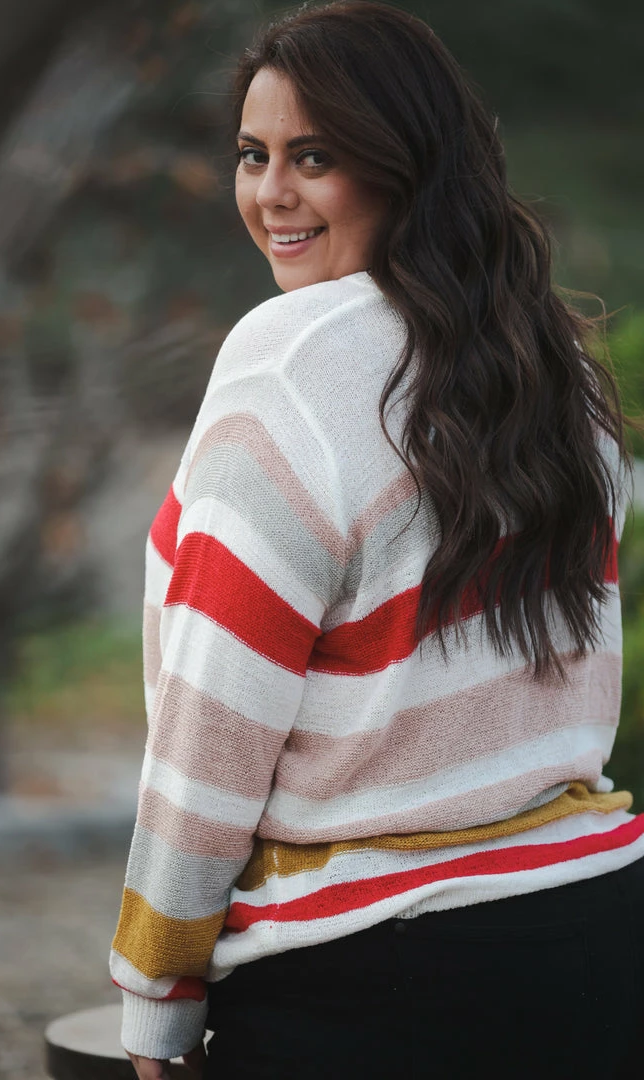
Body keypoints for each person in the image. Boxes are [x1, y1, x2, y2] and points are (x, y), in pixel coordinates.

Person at [110, 3, 644, 1077]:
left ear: (407, 167)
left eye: (315, 158)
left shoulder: (288, 359)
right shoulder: (561, 370)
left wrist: (157, 986)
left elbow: (217, 719)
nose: (271, 193)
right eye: (253, 155)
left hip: (374, 976)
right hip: (600, 930)